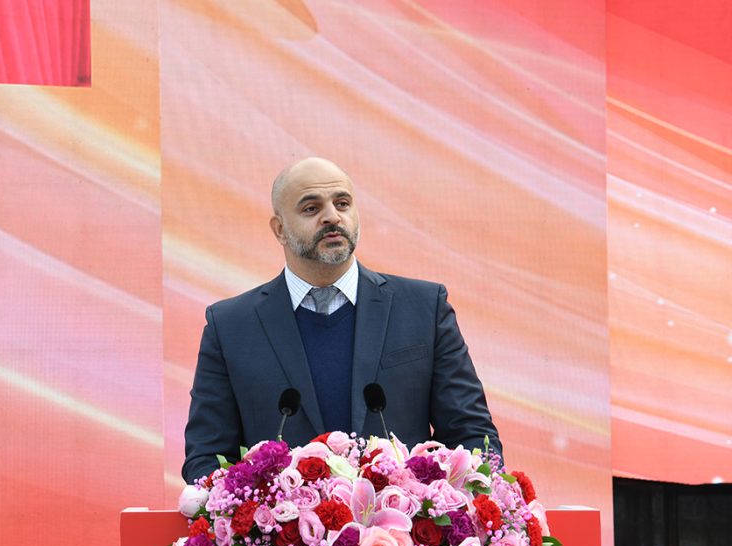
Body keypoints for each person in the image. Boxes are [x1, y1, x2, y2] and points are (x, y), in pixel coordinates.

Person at [182, 157, 500, 484]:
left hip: (404, 515)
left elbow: (472, 435)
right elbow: (207, 459)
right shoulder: (230, 327)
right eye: (311, 208)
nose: (332, 217)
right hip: (281, 517)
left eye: (342, 203)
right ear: (280, 230)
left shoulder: (424, 308)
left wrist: (444, 500)